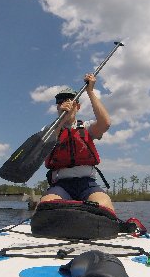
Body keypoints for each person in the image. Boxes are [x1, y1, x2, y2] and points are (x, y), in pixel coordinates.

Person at [37, 72, 115, 213]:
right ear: (57, 108)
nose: (64, 104)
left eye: (68, 101)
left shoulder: (86, 127)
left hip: (87, 183)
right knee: (45, 207)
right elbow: (45, 145)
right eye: (60, 102)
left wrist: (90, 92)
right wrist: (61, 119)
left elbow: (105, 124)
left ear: (77, 106)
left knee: (104, 207)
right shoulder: (49, 130)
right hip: (60, 185)